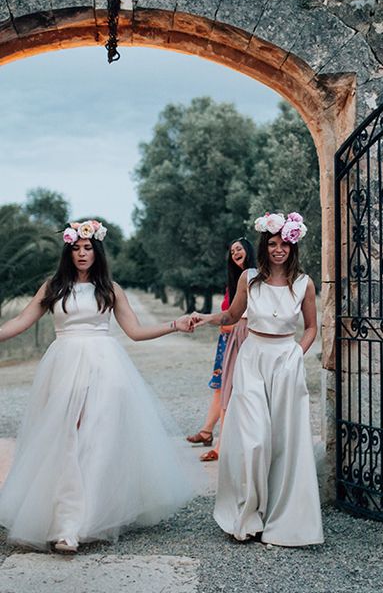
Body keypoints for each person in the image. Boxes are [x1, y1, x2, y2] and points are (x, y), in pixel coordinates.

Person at [0, 220, 198, 553]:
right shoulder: (53, 286)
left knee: (96, 440)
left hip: (106, 368)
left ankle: (77, 524)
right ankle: (64, 520)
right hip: (63, 366)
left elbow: (134, 331)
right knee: (66, 438)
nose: (81, 254)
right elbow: (20, 321)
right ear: (68, 251)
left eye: (88, 248)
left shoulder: (110, 288)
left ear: (97, 251)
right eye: (76, 248)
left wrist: (173, 325)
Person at [192, 212, 323, 546]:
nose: (278, 249)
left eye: (284, 244)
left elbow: (310, 327)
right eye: (273, 244)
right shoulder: (249, 279)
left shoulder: (303, 283)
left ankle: (280, 515)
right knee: (255, 440)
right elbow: (232, 316)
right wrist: (204, 318)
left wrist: (298, 352)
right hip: (252, 359)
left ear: (293, 247)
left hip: (285, 362)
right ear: (265, 246)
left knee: (283, 442)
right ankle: (248, 514)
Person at [192, 237, 255, 462]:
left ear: (249, 251)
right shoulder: (233, 282)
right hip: (227, 343)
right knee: (222, 388)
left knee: (233, 390)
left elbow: (244, 318)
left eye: (239, 249)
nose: (235, 253)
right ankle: (210, 434)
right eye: (232, 251)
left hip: (243, 340)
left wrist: (231, 326)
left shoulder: (256, 279)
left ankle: (219, 442)